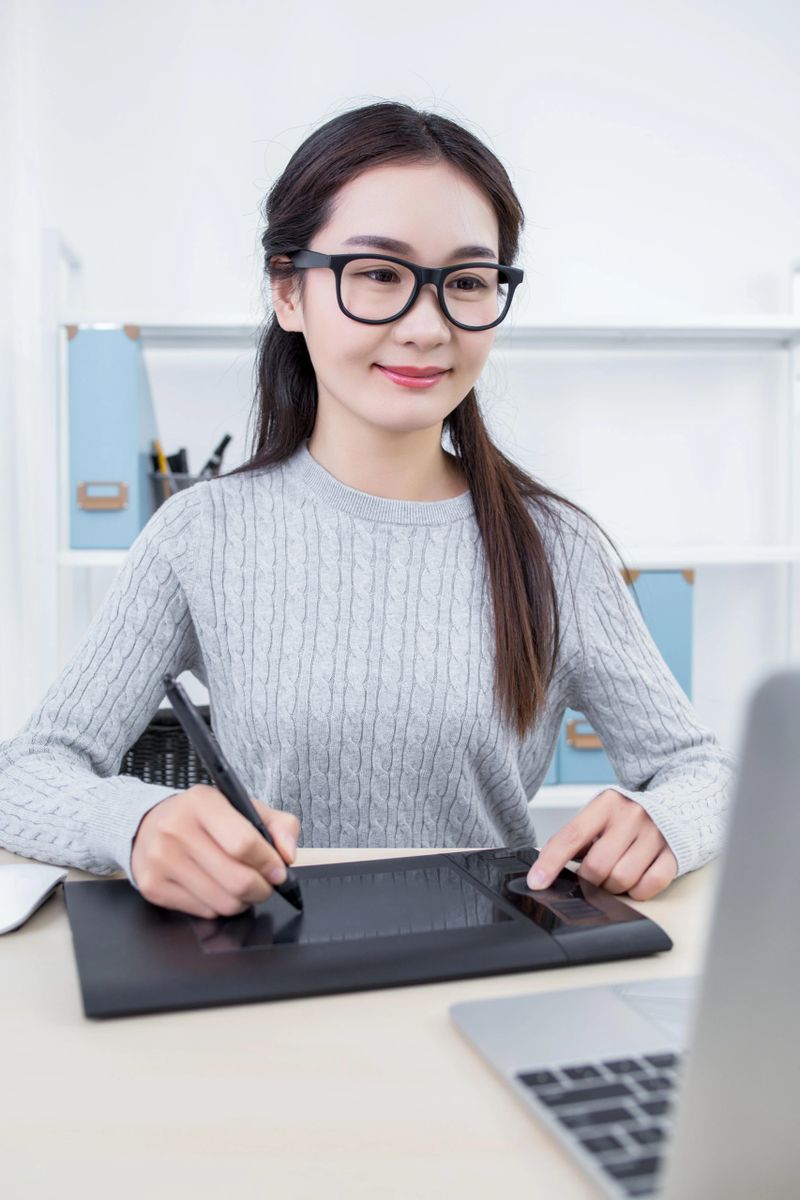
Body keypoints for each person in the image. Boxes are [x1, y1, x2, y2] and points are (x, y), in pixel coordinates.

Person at [0, 100, 736, 920]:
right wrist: (132, 823)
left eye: (465, 282)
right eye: (381, 274)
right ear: (288, 292)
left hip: (486, 973)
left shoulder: (555, 547)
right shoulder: (199, 536)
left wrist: (661, 819)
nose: (427, 327)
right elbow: (28, 771)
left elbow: (701, 772)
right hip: (270, 978)